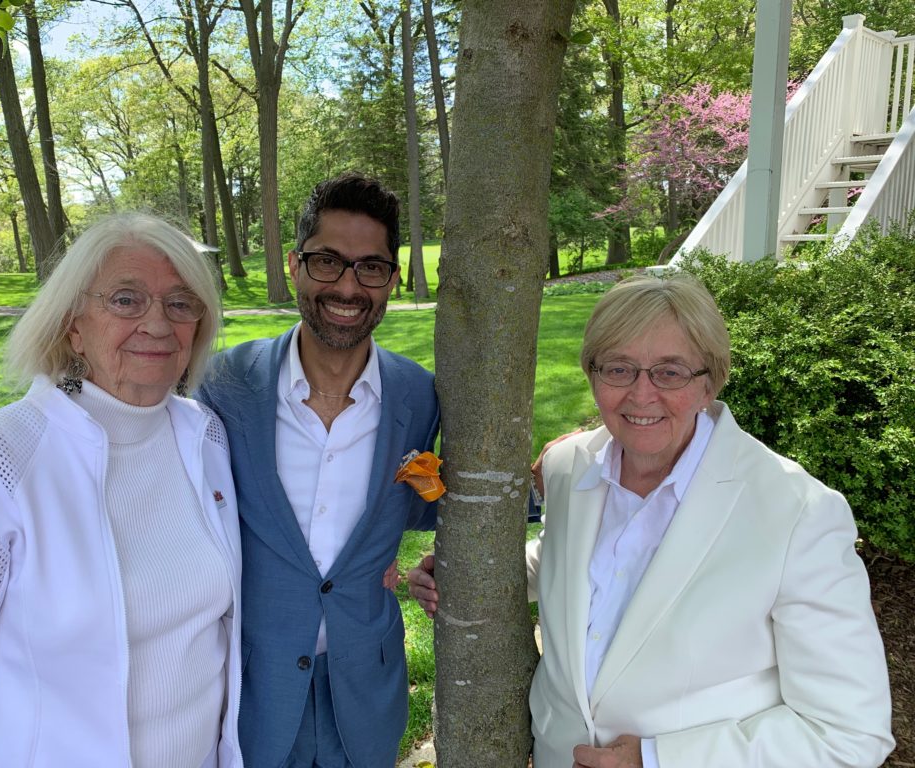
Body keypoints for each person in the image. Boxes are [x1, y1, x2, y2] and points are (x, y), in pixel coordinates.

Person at [408, 273, 894, 768]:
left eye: (670, 372)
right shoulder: (569, 466)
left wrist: (659, 759)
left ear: (711, 381)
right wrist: (466, 573)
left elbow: (849, 732)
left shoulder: (798, 514)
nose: (641, 396)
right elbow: (576, 565)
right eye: (619, 369)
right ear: (592, 374)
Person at [0, 213, 244, 767]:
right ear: (72, 325)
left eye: (181, 303)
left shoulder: (207, 438)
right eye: (126, 299)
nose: (157, 323)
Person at [197, 172, 439, 768]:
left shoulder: (421, 397)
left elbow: (433, 496)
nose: (349, 286)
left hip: (365, 687)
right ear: (295, 264)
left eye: (371, 267)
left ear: (393, 277)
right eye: (328, 261)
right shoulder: (222, 388)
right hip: (250, 688)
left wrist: (552, 475)